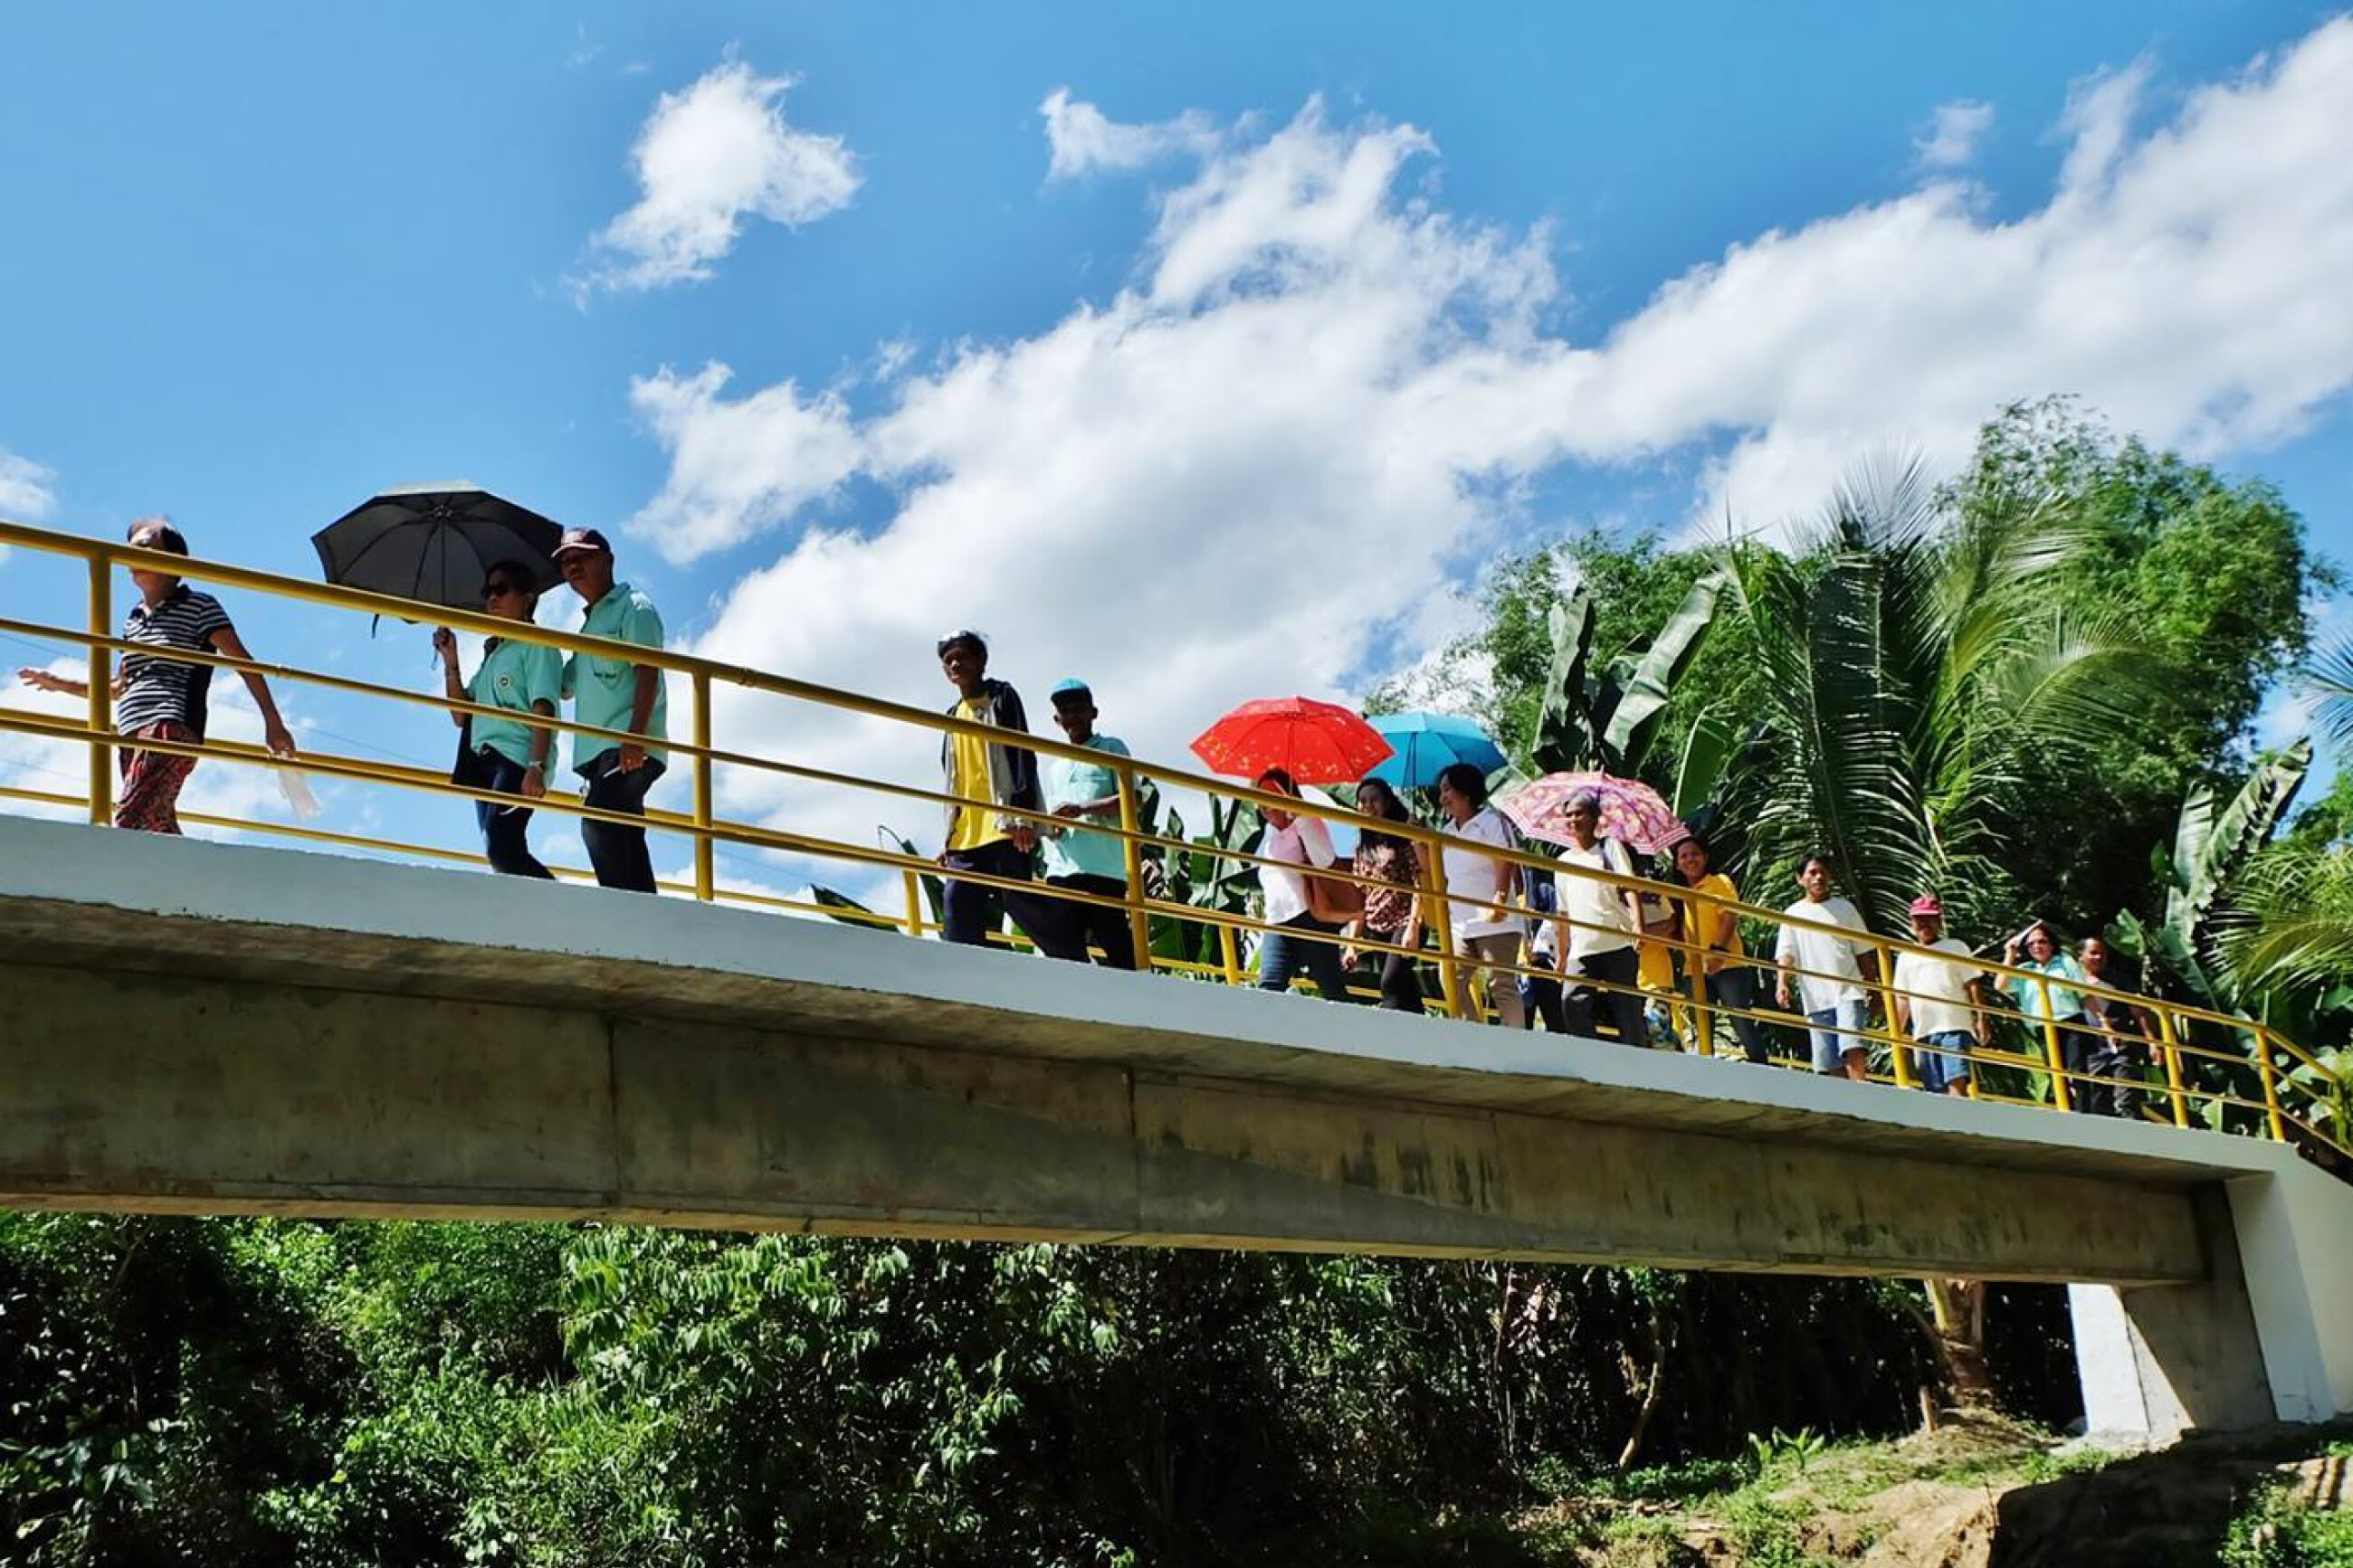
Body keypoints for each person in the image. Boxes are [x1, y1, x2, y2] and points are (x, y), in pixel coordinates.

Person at [17, 518, 296, 833]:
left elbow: (243, 661)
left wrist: (273, 721)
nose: (131, 555)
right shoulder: (132, 620)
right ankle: (193, 881)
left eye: (144, 547)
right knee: (156, 822)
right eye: (129, 549)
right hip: (131, 732)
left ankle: (108, 878)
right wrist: (59, 684)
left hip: (169, 726)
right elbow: (119, 686)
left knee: (130, 820)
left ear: (173, 558)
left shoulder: (199, 605)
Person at [935, 632, 1082, 958]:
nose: (955, 663)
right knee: (956, 900)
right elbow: (951, 781)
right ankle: (960, 967)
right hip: (966, 831)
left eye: (962, 656)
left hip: (1004, 822)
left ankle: (1072, 956)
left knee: (1017, 898)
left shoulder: (1001, 696)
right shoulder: (950, 715)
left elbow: (1021, 756)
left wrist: (1022, 817)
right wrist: (947, 836)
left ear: (981, 662)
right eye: (948, 660)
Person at [555, 528, 667, 893]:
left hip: (627, 746)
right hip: (601, 755)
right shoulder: (589, 626)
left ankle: (623, 915)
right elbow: (563, 686)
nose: (573, 566)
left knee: (598, 823)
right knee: (627, 834)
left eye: (582, 557)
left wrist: (635, 737)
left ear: (608, 560)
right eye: (566, 562)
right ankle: (649, 920)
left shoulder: (634, 607)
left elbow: (647, 672)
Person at [432, 561, 560, 879]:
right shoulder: (495, 655)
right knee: (499, 848)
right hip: (483, 763)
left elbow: (543, 707)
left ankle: (562, 906)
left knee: (501, 845)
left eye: (501, 589)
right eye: (487, 591)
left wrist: (537, 766)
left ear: (528, 598)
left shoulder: (538, 644)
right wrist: (451, 660)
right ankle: (538, 918)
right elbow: (461, 715)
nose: (492, 598)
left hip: (516, 758)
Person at [1038, 678, 1137, 970]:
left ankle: (1139, 1005)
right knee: (1064, 948)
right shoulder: (1056, 767)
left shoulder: (1111, 748)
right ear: (1057, 719)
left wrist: (1082, 809)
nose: (1072, 716)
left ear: (1093, 712)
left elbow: (1133, 800)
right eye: (1065, 711)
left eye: (1078, 708)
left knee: (1117, 948)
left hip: (1104, 869)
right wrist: (1051, 827)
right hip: (1062, 868)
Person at [1253, 768, 1360, 1002]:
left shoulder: (1307, 821)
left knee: (1332, 989)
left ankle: (1355, 1034)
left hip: (1310, 918)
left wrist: (1300, 818)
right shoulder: (1270, 835)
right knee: (1268, 987)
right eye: (1260, 797)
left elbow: (1324, 861)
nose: (1265, 803)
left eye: (1272, 795)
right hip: (1277, 923)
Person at [1434, 763, 1528, 1029]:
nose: (1442, 798)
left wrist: (1499, 898)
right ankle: (1472, 1033)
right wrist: (1418, 837)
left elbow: (1504, 859)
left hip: (1493, 918)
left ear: (1466, 792)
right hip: (1460, 920)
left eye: (1447, 790)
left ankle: (1516, 1040)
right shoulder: (1447, 831)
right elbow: (1433, 868)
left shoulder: (1491, 821)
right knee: (1451, 976)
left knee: (1502, 985)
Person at [1550, 790, 1646, 1046]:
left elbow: (1628, 887)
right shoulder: (1562, 861)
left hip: (1617, 941)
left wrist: (1638, 925)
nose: (1573, 820)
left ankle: (1638, 1060)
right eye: (1569, 815)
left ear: (1594, 818)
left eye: (1579, 813)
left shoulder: (1609, 847)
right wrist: (1561, 955)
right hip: (1582, 947)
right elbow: (1563, 913)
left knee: (1627, 1008)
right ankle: (1592, 1054)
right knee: (1571, 1003)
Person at [1774, 853, 1880, 1079]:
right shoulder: (1792, 914)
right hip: (1815, 997)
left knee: (1853, 1045)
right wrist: (1782, 983)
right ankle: (1844, 1106)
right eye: (1812, 873)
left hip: (1848, 990)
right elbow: (1786, 954)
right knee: (1829, 1060)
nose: (1818, 877)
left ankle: (1860, 1093)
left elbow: (1862, 952)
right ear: (1800, 879)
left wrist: (1874, 989)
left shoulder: (1845, 909)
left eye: (1822, 872)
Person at [1672, 835, 1768, 1064]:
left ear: (1705, 858)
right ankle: (1707, 1071)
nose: (1689, 860)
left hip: (1728, 965)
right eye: (1683, 856)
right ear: (1677, 864)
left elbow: (1729, 917)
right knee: (1702, 1026)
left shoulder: (1719, 882)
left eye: (1694, 854)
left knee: (1741, 1020)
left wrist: (1718, 952)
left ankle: (1762, 1069)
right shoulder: (1679, 894)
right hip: (1693, 968)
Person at [1340, 776, 1424, 1012]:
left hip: (1404, 921)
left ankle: (1392, 1038)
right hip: (1376, 925)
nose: (1368, 806)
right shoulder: (1362, 849)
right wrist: (1351, 945)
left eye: (1374, 800)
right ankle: (1427, 1038)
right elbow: (1361, 898)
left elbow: (1421, 879)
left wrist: (1414, 926)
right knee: (1404, 988)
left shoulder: (1403, 837)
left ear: (1387, 803)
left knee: (1390, 982)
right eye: (1362, 801)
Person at [1891, 895, 1988, 1096]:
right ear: (1912, 923)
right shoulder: (1905, 956)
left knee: (1956, 1080)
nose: (1925, 924)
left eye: (1930, 918)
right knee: (1934, 1089)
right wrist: (1896, 1034)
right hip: (1924, 1033)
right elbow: (1902, 998)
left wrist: (1982, 1019)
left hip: (1954, 1026)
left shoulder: (1956, 947)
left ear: (1939, 922)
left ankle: (1960, 1125)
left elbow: (1973, 985)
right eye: (1919, 919)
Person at [2003, 921, 2095, 1113]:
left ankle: (2084, 1112)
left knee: (2077, 1070)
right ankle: (2067, 1111)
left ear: (2051, 944)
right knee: (2055, 1073)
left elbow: (2084, 995)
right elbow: (2000, 985)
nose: (2037, 946)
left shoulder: (2065, 962)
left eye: (2042, 941)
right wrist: (2010, 954)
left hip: (2070, 1022)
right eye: (2031, 944)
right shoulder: (2024, 970)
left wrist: (2103, 1022)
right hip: (2042, 1026)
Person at [2075, 936, 2153, 1119]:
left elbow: (2138, 1011)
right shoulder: (2071, 979)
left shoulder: (2118, 980)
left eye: (2102, 954)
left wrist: (2152, 1043)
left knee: (2126, 1100)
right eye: (2093, 953)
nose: (2098, 957)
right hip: (2091, 1048)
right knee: (2096, 1101)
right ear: (2080, 956)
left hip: (2121, 1044)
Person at [1519, 868, 1567, 1032]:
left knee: (1555, 1021)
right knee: (1520, 1024)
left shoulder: (1543, 891)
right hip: (1517, 966)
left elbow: (1559, 925)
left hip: (1543, 962)